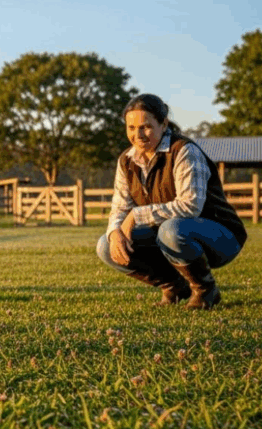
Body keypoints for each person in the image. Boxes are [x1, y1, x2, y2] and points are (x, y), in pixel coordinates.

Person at [96, 94, 247, 309]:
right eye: (131, 128)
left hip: (220, 236)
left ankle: (205, 290)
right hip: (166, 234)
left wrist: (136, 215)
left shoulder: (184, 151)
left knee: (171, 230)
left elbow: (190, 206)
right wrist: (115, 232)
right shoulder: (126, 161)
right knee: (105, 245)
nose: (138, 135)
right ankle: (174, 286)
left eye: (146, 127)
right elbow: (120, 207)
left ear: (164, 124)